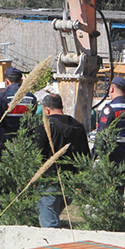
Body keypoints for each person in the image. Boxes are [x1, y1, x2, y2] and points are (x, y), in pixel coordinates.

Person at [34, 93, 90, 228]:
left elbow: (37, 154)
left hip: (50, 181)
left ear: (46, 110)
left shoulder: (44, 126)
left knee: (49, 224)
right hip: (70, 181)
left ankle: (53, 247)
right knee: (52, 215)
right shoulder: (78, 127)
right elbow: (85, 156)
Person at [93, 77, 125, 179]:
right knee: (119, 191)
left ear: (111, 89)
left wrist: (92, 157)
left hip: (110, 160)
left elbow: (101, 137)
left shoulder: (110, 109)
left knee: (105, 192)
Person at [0, 66, 37, 165]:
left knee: (3, 175)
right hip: (25, 144)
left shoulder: (1, 98)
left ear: (7, 82)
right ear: (21, 81)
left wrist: (6, 140)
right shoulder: (31, 98)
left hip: (4, 145)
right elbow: (31, 120)